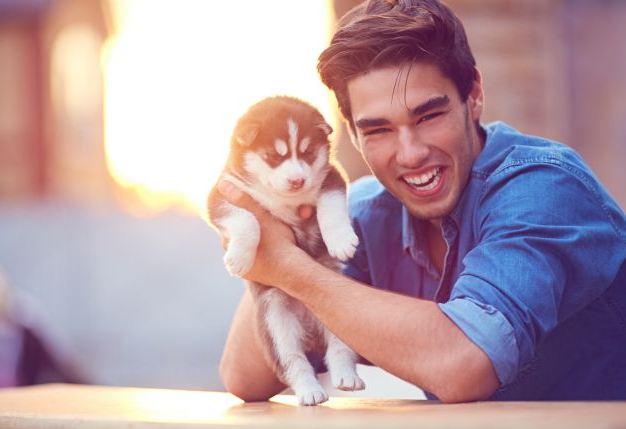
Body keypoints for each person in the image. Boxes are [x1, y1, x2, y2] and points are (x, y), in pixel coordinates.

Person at [217, 0, 626, 402]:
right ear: (352, 135)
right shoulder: (361, 214)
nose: (410, 153)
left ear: (474, 95)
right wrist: (271, 237)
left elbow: (463, 364)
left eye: (428, 117)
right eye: (379, 130)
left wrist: (288, 267)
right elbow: (246, 378)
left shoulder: (545, 189)